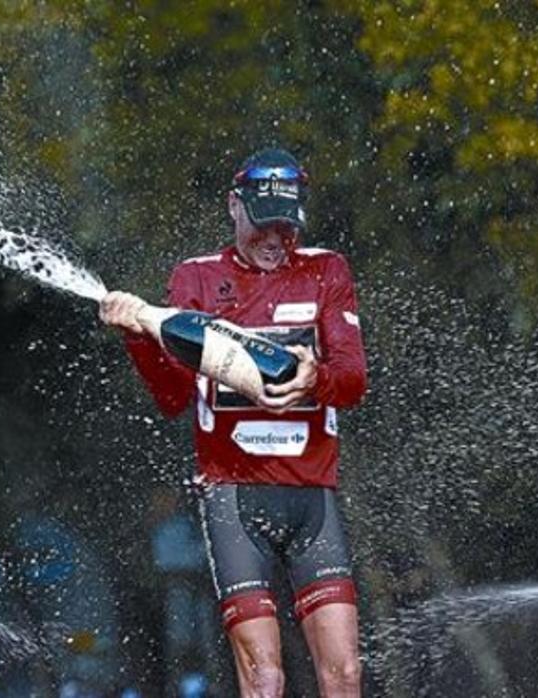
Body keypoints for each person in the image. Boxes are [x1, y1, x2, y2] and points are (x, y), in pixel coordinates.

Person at [100, 147, 367, 697]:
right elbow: (174, 398)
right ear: (233, 207)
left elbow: (354, 381)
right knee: (265, 677)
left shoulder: (325, 270)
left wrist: (315, 378)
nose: (274, 239)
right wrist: (138, 338)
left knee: (343, 672)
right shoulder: (196, 278)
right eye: (262, 224)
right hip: (232, 498)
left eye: (285, 227)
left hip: (312, 494)